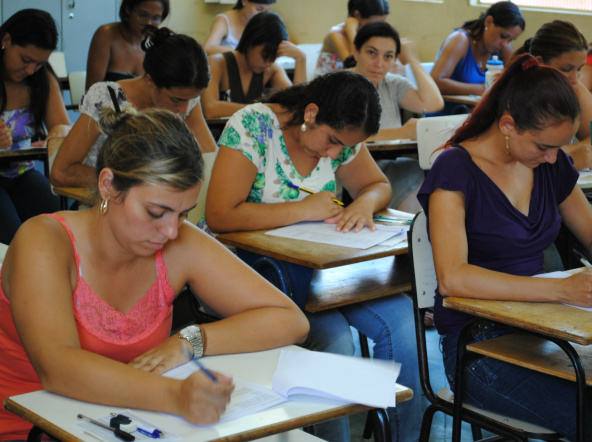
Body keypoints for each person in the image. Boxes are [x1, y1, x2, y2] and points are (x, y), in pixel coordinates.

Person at [0, 106, 309, 440]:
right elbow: (57, 368)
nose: (171, 231)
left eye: (183, 214)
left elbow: (290, 320)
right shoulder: (43, 241)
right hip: (32, 426)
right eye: (156, 212)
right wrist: (174, 397)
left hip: (130, 423)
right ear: (108, 185)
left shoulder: (176, 241)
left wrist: (191, 341)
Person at [418, 53, 592, 442]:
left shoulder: (549, 163)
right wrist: (560, 289)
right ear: (508, 125)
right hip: (478, 346)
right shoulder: (456, 168)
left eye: (559, 147)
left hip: (547, 329)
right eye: (544, 146)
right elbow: (452, 277)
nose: (554, 158)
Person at [203, 71, 422, 442]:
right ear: (311, 112)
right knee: (333, 337)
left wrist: (364, 204)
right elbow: (220, 216)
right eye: (333, 141)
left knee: (402, 322)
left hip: (322, 269)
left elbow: (377, 184)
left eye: (345, 148)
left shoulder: (343, 137)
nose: (336, 155)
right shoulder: (255, 126)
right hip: (256, 271)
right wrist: (303, 209)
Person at [51, 26, 216, 189]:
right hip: (108, 203)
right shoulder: (107, 98)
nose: (183, 109)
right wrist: (134, 185)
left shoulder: (186, 101)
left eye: (192, 99)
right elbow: (61, 172)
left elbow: (209, 163)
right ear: (151, 80)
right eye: (175, 99)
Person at [352, 21, 442, 212]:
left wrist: (412, 60)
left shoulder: (392, 84)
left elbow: (433, 103)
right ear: (355, 52)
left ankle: (410, 236)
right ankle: (408, 236)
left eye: (388, 56)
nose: (379, 64)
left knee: (437, 172)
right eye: (371, 53)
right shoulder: (342, 86)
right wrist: (403, 132)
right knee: (419, 177)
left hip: (389, 166)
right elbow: (346, 138)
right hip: (354, 171)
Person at [0, 9, 71, 244]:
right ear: (6, 40)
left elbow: (62, 124)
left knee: (62, 226)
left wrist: (57, 134)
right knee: (14, 238)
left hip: (21, 173)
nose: (30, 70)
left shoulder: (41, 79)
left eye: (39, 63)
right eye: (26, 60)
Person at [516, 20, 592, 171]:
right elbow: (517, 158)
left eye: (579, 69)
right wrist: (567, 158)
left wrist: (574, 151)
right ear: (539, 62)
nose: (575, 79)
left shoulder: (574, 89)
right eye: (566, 69)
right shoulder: (517, 93)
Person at [201, 11, 306, 119]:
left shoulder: (271, 70)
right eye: (264, 55)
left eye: (274, 57)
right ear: (249, 43)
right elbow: (210, 109)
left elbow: (298, 106)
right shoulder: (216, 63)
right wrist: (264, 109)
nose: (268, 63)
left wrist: (301, 59)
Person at [429, 1, 524, 114]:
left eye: (510, 40)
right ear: (488, 22)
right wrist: (481, 89)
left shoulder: (502, 47)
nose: (505, 43)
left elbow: (518, 79)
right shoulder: (459, 40)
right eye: (503, 36)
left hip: (474, 118)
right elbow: (435, 82)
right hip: (445, 117)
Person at [86, 0, 170, 89]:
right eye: (143, 15)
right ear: (128, 9)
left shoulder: (157, 46)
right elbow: (91, 92)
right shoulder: (106, 35)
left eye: (155, 18)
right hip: (106, 102)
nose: (148, 23)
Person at [315, 0, 389, 77]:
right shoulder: (335, 33)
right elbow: (353, 65)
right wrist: (351, 30)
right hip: (329, 86)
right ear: (357, 15)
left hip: (352, 83)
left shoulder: (368, 32)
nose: (376, 28)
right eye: (373, 23)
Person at [203, 0, 276, 56]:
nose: (263, 14)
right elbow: (208, 48)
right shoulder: (224, 20)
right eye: (259, 9)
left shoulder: (264, 20)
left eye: (267, 10)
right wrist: (244, 52)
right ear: (244, 1)